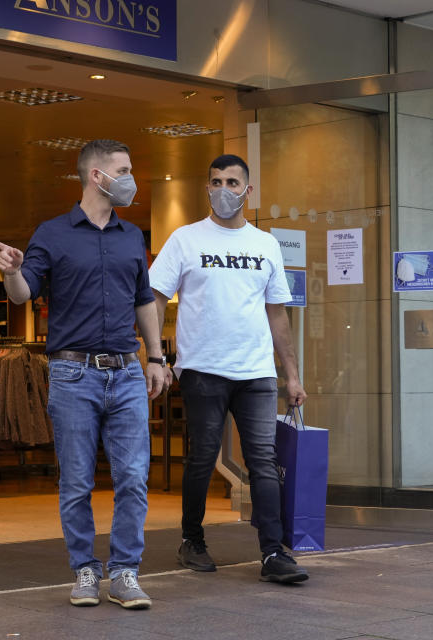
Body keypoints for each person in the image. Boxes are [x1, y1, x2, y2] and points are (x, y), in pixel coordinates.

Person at [0, 139, 167, 610]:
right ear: (97, 176)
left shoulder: (132, 236)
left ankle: (125, 572)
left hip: (128, 372)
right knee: (76, 481)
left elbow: (144, 299)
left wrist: (156, 357)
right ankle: (85, 570)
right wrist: (9, 270)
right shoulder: (51, 233)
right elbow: (24, 293)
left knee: (132, 476)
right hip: (73, 373)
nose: (132, 179)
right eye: (125, 170)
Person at [149, 153, 310, 584]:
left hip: (256, 372)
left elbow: (278, 314)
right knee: (201, 457)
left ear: (248, 191)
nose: (224, 189)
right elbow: (154, 298)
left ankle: (273, 553)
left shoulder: (265, 244)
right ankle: (192, 540)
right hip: (202, 369)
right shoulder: (185, 240)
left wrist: (291, 374)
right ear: (207, 188)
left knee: (263, 460)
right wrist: (154, 356)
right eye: (216, 181)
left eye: (233, 183)